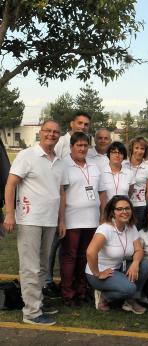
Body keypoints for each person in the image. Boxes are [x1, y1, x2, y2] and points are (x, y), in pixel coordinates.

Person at [3, 120, 66, 325]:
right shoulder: (27, 155)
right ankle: (31, 313)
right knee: (30, 267)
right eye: (47, 131)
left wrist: (61, 220)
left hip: (49, 220)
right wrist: (10, 214)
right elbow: (11, 184)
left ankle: (36, 303)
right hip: (29, 219)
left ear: (59, 135)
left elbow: (61, 192)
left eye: (55, 132)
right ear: (40, 133)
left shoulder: (59, 160)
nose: (51, 134)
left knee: (43, 267)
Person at [45, 111, 91, 297]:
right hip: (59, 206)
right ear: (71, 124)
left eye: (86, 124)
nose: (82, 126)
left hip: (81, 212)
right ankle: (48, 282)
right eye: (79, 123)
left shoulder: (89, 144)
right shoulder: (61, 143)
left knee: (71, 252)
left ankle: (73, 284)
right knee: (53, 247)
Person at [58, 132, 107, 307]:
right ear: (71, 147)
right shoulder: (64, 165)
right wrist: (61, 220)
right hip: (72, 220)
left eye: (85, 145)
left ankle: (82, 289)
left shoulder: (93, 166)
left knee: (85, 257)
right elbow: (61, 193)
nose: (82, 149)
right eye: (78, 145)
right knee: (69, 257)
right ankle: (68, 293)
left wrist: (102, 215)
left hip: (92, 220)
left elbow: (102, 192)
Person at [86, 196, 148, 314]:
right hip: (101, 272)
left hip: (118, 268)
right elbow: (90, 252)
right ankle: (104, 297)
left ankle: (130, 300)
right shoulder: (105, 229)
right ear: (113, 212)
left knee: (144, 265)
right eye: (119, 209)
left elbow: (139, 250)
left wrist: (135, 263)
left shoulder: (131, 227)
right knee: (130, 288)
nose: (124, 212)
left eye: (127, 208)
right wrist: (97, 273)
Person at [124, 137, 148, 226]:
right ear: (132, 149)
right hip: (123, 206)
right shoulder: (123, 165)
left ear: (145, 151)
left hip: (140, 207)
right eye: (136, 148)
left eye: (142, 149)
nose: (139, 151)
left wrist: (143, 205)